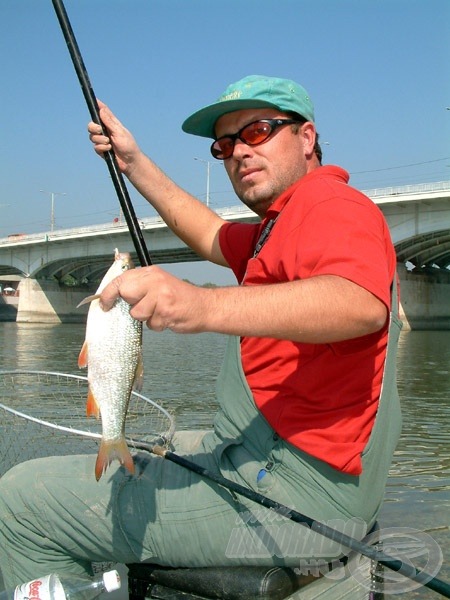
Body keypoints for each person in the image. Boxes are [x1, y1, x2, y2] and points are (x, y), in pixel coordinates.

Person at [0, 75, 402, 586]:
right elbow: (209, 232)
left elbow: (359, 304)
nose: (239, 152)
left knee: (21, 502)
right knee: (147, 445)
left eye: (258, 131)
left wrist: (200, 304)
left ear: (307, 138)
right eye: (225, 144)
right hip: (266, 456)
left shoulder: (334, 205)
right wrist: (133, 163)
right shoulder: (280, 227)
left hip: (298, 494)